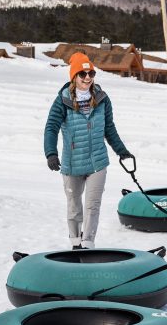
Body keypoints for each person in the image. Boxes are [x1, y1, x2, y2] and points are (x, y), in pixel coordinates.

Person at [44, 52, 132, 249]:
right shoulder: (63, 101)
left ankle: (88, 242)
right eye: (82, 74)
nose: (87, 78)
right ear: (74, 77)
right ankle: (75, 242)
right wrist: (51, 153)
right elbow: (51, 128)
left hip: (97, 163)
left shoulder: (102, 99)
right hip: (72, 163)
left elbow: (109, 128)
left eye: (91, 73)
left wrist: (122, 151)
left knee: (93, 206)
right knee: (74, 205)